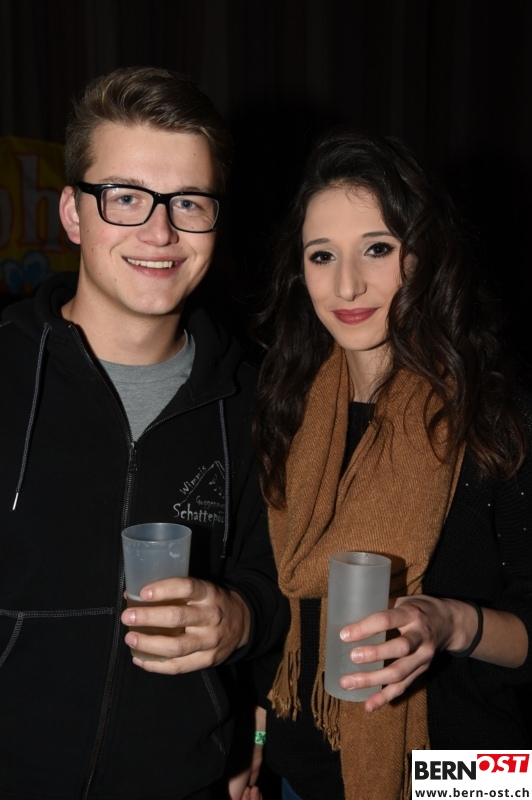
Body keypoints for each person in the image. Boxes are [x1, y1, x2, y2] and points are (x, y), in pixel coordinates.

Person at [0, 66, 287, 800]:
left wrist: (242, 617)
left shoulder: (260, 402)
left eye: (188, 202)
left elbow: (280, 585)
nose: (160, 232)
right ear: (73, 213)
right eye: (125, 197)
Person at [252, 128, 532, 800]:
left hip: (468, 776)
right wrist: (255, 742)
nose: (347, 283)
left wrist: (451, 623)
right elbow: (274, 607)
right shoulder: (286, 407)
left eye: (377, 248)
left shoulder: (496, 416)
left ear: (424, 255)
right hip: (301, 773)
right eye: (322, 255)